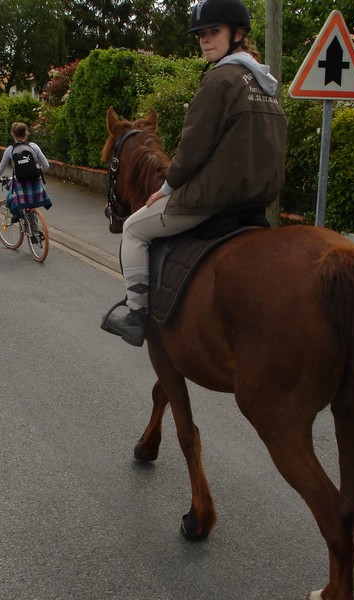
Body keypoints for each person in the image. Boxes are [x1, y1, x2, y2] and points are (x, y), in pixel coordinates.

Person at [101, 0, 287, 347]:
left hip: (213, 199)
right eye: (201, 34)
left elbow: (194, 148)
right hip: (257, 201)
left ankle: (136, 313)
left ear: (238, 33)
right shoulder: (264, 84)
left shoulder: (221, 79)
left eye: (213, 32)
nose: (204, 40)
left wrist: (168, 188)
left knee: (133, 229)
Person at [0, 122, 52, 221]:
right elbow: (46, 166)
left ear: (13, 134)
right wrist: (36, 172)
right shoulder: (34, 146)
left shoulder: (10, 149)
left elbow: (1, 168)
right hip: (37, 185)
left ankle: (17, 214)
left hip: (20, 184)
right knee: (32, 202)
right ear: (26, 133)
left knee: (10, 197)